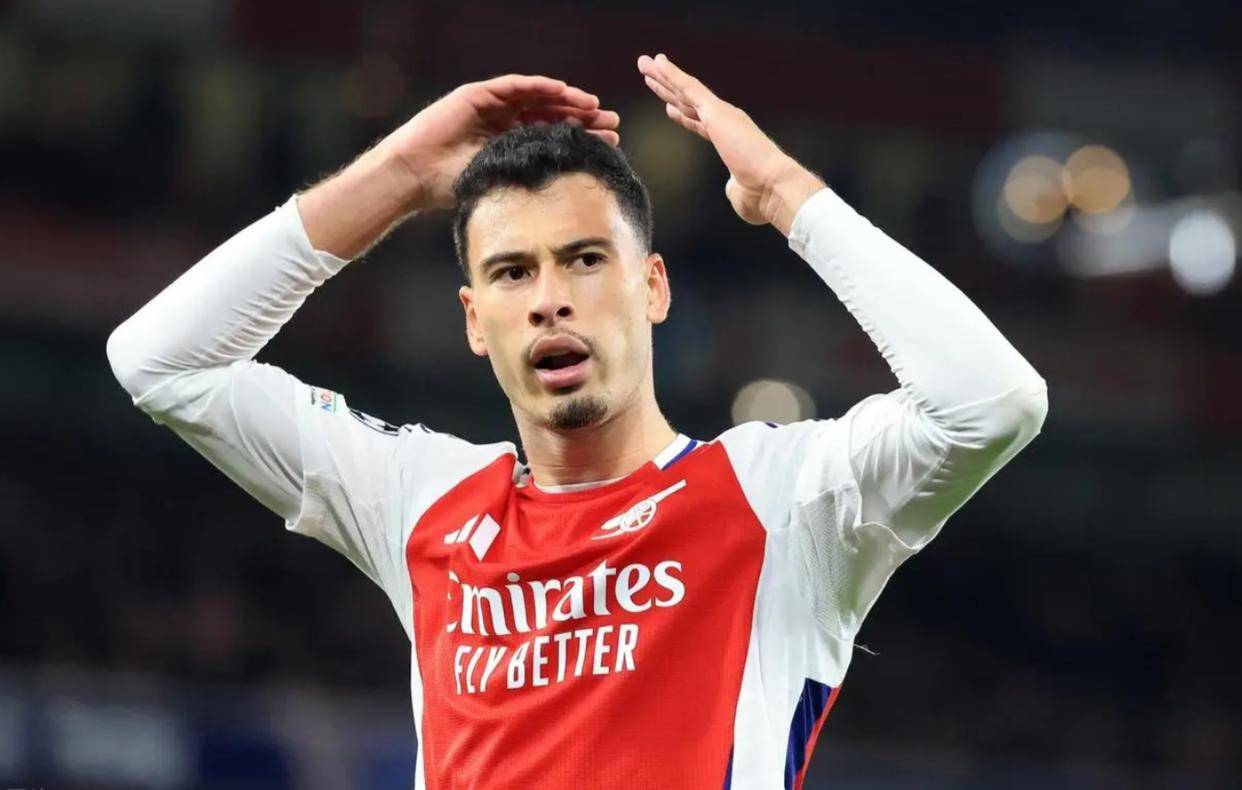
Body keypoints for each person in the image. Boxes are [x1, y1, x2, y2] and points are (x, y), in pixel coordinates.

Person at [106, 54, 1048, 789]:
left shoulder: (784, 501)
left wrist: (786, 197)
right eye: (513, 272)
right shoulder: (420, 499)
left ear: (654, 288)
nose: (550, 298)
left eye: (586, 260)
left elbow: (993, 402)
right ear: (476, 322)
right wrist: (396, 175)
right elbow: (161, 362)